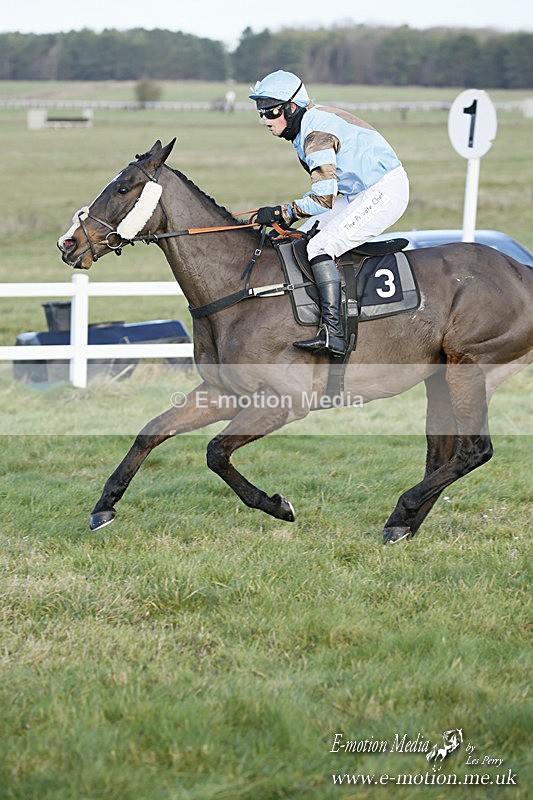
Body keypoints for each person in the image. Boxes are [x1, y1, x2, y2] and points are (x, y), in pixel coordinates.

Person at [250, 70, 409, 356]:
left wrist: (284, 211)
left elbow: (323, 198)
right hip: (357, 192)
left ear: (291, 108)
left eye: (271, 112)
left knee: (322, 245)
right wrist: (288, 217)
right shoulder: (309, 123)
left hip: (383, 190)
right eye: (261, 112)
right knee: (301, 235)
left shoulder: (315, 134)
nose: (265, 120)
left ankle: (334, 334)